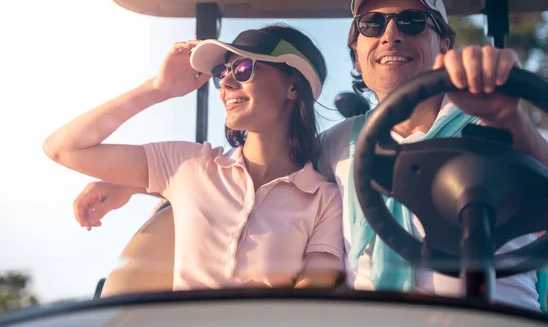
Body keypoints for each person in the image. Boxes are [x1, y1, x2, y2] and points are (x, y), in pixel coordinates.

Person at [317, 0, 548, 311]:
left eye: (411, 21)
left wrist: (510, 118)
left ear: (444, 45)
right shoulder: (333, 146)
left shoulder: (494, 123)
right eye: (371, 24)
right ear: (356, 48)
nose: (390, 36)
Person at [43, 24, 344, 290]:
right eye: (220, 74)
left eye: (243, 70)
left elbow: (312, 295)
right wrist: (157, 88)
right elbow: (63, 148)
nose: (226, 84)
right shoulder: (187, 165)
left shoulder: (323, 199)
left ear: (293, 86)